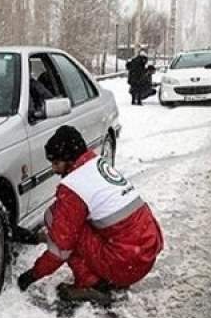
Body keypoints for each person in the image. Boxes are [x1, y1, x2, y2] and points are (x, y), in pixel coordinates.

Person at [17, 126, 164, 305]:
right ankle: (110, 278)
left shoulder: (73, 186)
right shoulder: (97, 163)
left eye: (56, 163)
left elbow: (62, 247)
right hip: (144, 253)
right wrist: (40, 237)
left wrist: (30, 276)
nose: (54, 169)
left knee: (55, 217)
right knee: (71, 222)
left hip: (125, 263)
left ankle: (92, 284)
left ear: (69, 159)